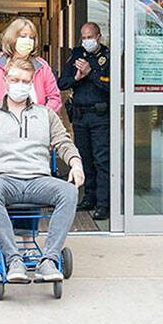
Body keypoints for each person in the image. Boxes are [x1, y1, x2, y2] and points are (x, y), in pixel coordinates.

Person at [0, 58, 84, 283]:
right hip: (3, 180)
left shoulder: (45, 114)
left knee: (68, 192)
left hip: (37, 180)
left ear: (32, 83)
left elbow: (63, 142)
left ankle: (48, 260)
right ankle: (13, 259)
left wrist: (75, 163)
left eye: (25, 81)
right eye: (15, 79)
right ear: (5, 81)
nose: (20, 85)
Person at [57, 22, 111, 220]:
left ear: (98, 36)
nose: (86, 40)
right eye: (83, 37)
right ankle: (89, 197)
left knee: (101, 160)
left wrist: (91, 73)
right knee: (84, 158)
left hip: (100, 116)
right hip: (79, 117)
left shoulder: (107, 57)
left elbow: (111, 87)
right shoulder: (77, 54)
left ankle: (104, 204)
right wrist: (78, 77)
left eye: (90, 36)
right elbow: (62, 83)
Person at [0, 17, 62, 112]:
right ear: (12, 38)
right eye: (23, 36)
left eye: (31, 37)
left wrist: (43, 117)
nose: (27, 40)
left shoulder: (41, 66)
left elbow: (55, 98)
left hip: (34, 123)